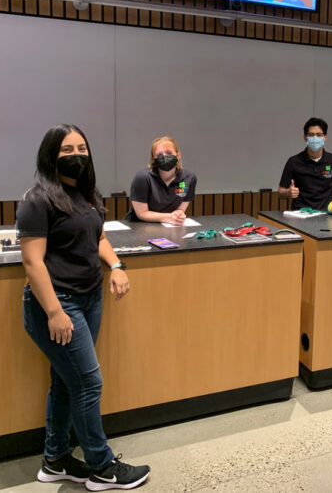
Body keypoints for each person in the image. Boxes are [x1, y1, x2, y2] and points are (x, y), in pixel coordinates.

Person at [17, 124, 150, 490]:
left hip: (90, 298)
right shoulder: (37, 199)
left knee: (66, 382)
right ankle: (102, 466)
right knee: (89, 383)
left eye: (81, 149)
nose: (76, 155)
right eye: (66, 150)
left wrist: (117, 265)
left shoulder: (86, 194)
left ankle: (55, 459)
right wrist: (54, 312)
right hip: (57, 304)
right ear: (51, 155)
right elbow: (33, 262)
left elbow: (99, 237)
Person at [278, 117, 332, 210]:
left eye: (319, 135)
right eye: (311, 135)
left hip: (326, 214)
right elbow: (280, 192)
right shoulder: (293, 162)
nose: (315, 138)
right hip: (301, 214)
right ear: (305, 137)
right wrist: (288, 192)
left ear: (325, 137)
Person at [125, 136, 197, 225]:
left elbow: (180, 210)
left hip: (169, 225)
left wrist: (179, 216)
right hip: (139, 225)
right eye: (159, 155)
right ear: (153, 159)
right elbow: (142, 213)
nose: (165, 157)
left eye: (169, 153)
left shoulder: (189, 178)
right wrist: (170, 217)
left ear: (178, 155)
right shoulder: (143, 178)